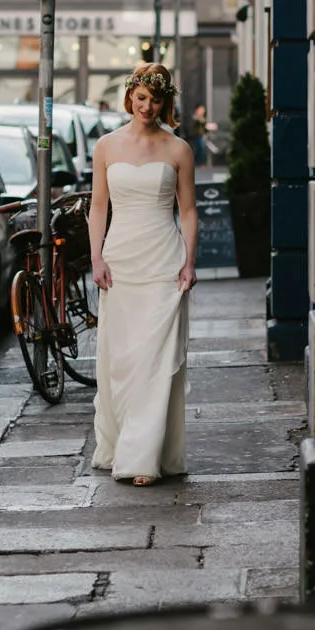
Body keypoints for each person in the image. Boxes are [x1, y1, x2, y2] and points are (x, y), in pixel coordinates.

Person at [88, 63, 198, 487]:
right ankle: (120, 443)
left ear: (164, 101)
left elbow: (187, 212)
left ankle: (142, 457)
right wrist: (96, 257)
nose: (147, 106)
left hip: (163, 261)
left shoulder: (179, 150)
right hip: (120, 260)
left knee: (155, 359)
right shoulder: (106, 147)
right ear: (129, 97)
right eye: (140, 98)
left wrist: (189, 262)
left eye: (155, 100)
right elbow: (99, 207)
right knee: (123, 360)